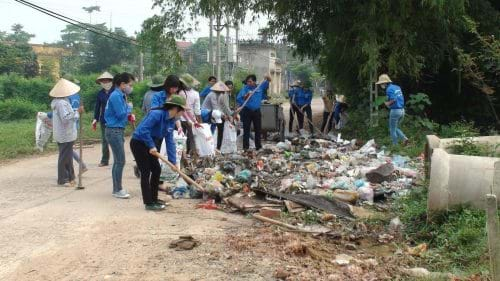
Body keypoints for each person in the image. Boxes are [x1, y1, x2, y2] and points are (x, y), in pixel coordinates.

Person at [130, 96, 186, 211]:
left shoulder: (171, 121)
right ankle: (148, 203)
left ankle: (154, 198)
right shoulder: (156, 114)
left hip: (151, 143)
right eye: (182, 111)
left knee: (156, 169)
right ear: (176, 109)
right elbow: (144, 130)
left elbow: (170, 141)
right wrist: (151, 145)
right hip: (139, 142)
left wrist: (173, 162)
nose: (183, 114)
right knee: (145, 172)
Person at [104, 72, 136, 199]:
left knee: (118, 161)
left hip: (116, 129)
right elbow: (120, 114)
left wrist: (128, 113)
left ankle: (116, 188)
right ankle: (117, 189)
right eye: (129, 84)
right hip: (114, 130)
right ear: (122, 84)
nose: (130, 87)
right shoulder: (116, 96)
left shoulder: (120, 95)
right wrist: (128, 109)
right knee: (120, 161)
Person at [49, 79, 83, 187]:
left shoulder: (61, 101)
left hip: (65, 134)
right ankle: (62, 179)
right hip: (65, 134)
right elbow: (65, 118)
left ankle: (70, 177)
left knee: (67, 156)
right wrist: (77, 112)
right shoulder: (61, 103)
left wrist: (76, 112)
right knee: (64, 157)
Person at [236, 74, 271, 151]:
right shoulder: (245, 88)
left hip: (256, 111)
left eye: (250, 81)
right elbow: (239, 98)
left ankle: (258, 147)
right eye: (247, 82)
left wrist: (266, 77)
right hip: (247, 111)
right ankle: (246, 147)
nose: (248, 83)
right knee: (246, 129)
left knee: (258, 129)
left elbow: (269, 80)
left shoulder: (260, 87)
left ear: (254, 81)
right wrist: (246, 96)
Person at [376, 74, 409, 145]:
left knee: (392, 129)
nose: (381, 85)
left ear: (385, 83)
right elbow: (396, 97)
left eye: (381, 83)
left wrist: (388, 103)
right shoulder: (397, 87)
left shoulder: (388, 89)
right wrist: (386, 100)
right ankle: (404, 138)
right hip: (402, 110)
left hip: (395, 111)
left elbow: (393, 99)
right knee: (395, 127)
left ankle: (395, 146)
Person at [92, 71, 114, 167]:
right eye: (103, 81)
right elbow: (98, 106)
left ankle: (119, 160)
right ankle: (105, 160)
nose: (105, 83)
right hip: (104, 120)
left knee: (116, 140)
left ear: (111, 81)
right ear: (101, 83)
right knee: (105, 141)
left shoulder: (116, 92)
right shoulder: (100, 93)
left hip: (114, 120)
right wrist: (95, 118)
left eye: (107, 81)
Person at [178, 74, 202, 156]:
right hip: (191, 118)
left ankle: (180, 153)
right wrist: (197, 120)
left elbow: (182, 108)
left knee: (180, 136)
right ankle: (189, 152)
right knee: (191, 137)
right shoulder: (196, 93)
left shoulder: (180, 92)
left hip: (180, 118)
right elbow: (197, 109)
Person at [202, 81, 231, 150]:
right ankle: (206, 147)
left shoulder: (219, 95)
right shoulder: (212, 95)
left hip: (213, 114)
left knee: (212, 130)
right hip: (206, 113)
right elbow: (216, 107)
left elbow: (219, 107)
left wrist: (227, 115)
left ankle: (210, 147)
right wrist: (224, 115)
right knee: (207, 131)